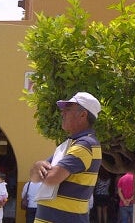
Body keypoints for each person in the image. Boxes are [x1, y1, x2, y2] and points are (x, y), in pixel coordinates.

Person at [28, 91, 102, 222]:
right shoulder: (69, 145)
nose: (62, 113)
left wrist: (39, 167)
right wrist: (36, 167)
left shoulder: (85, 145)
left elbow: (51, 178)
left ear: (83, 115)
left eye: (67, 109)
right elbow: (34, 177)